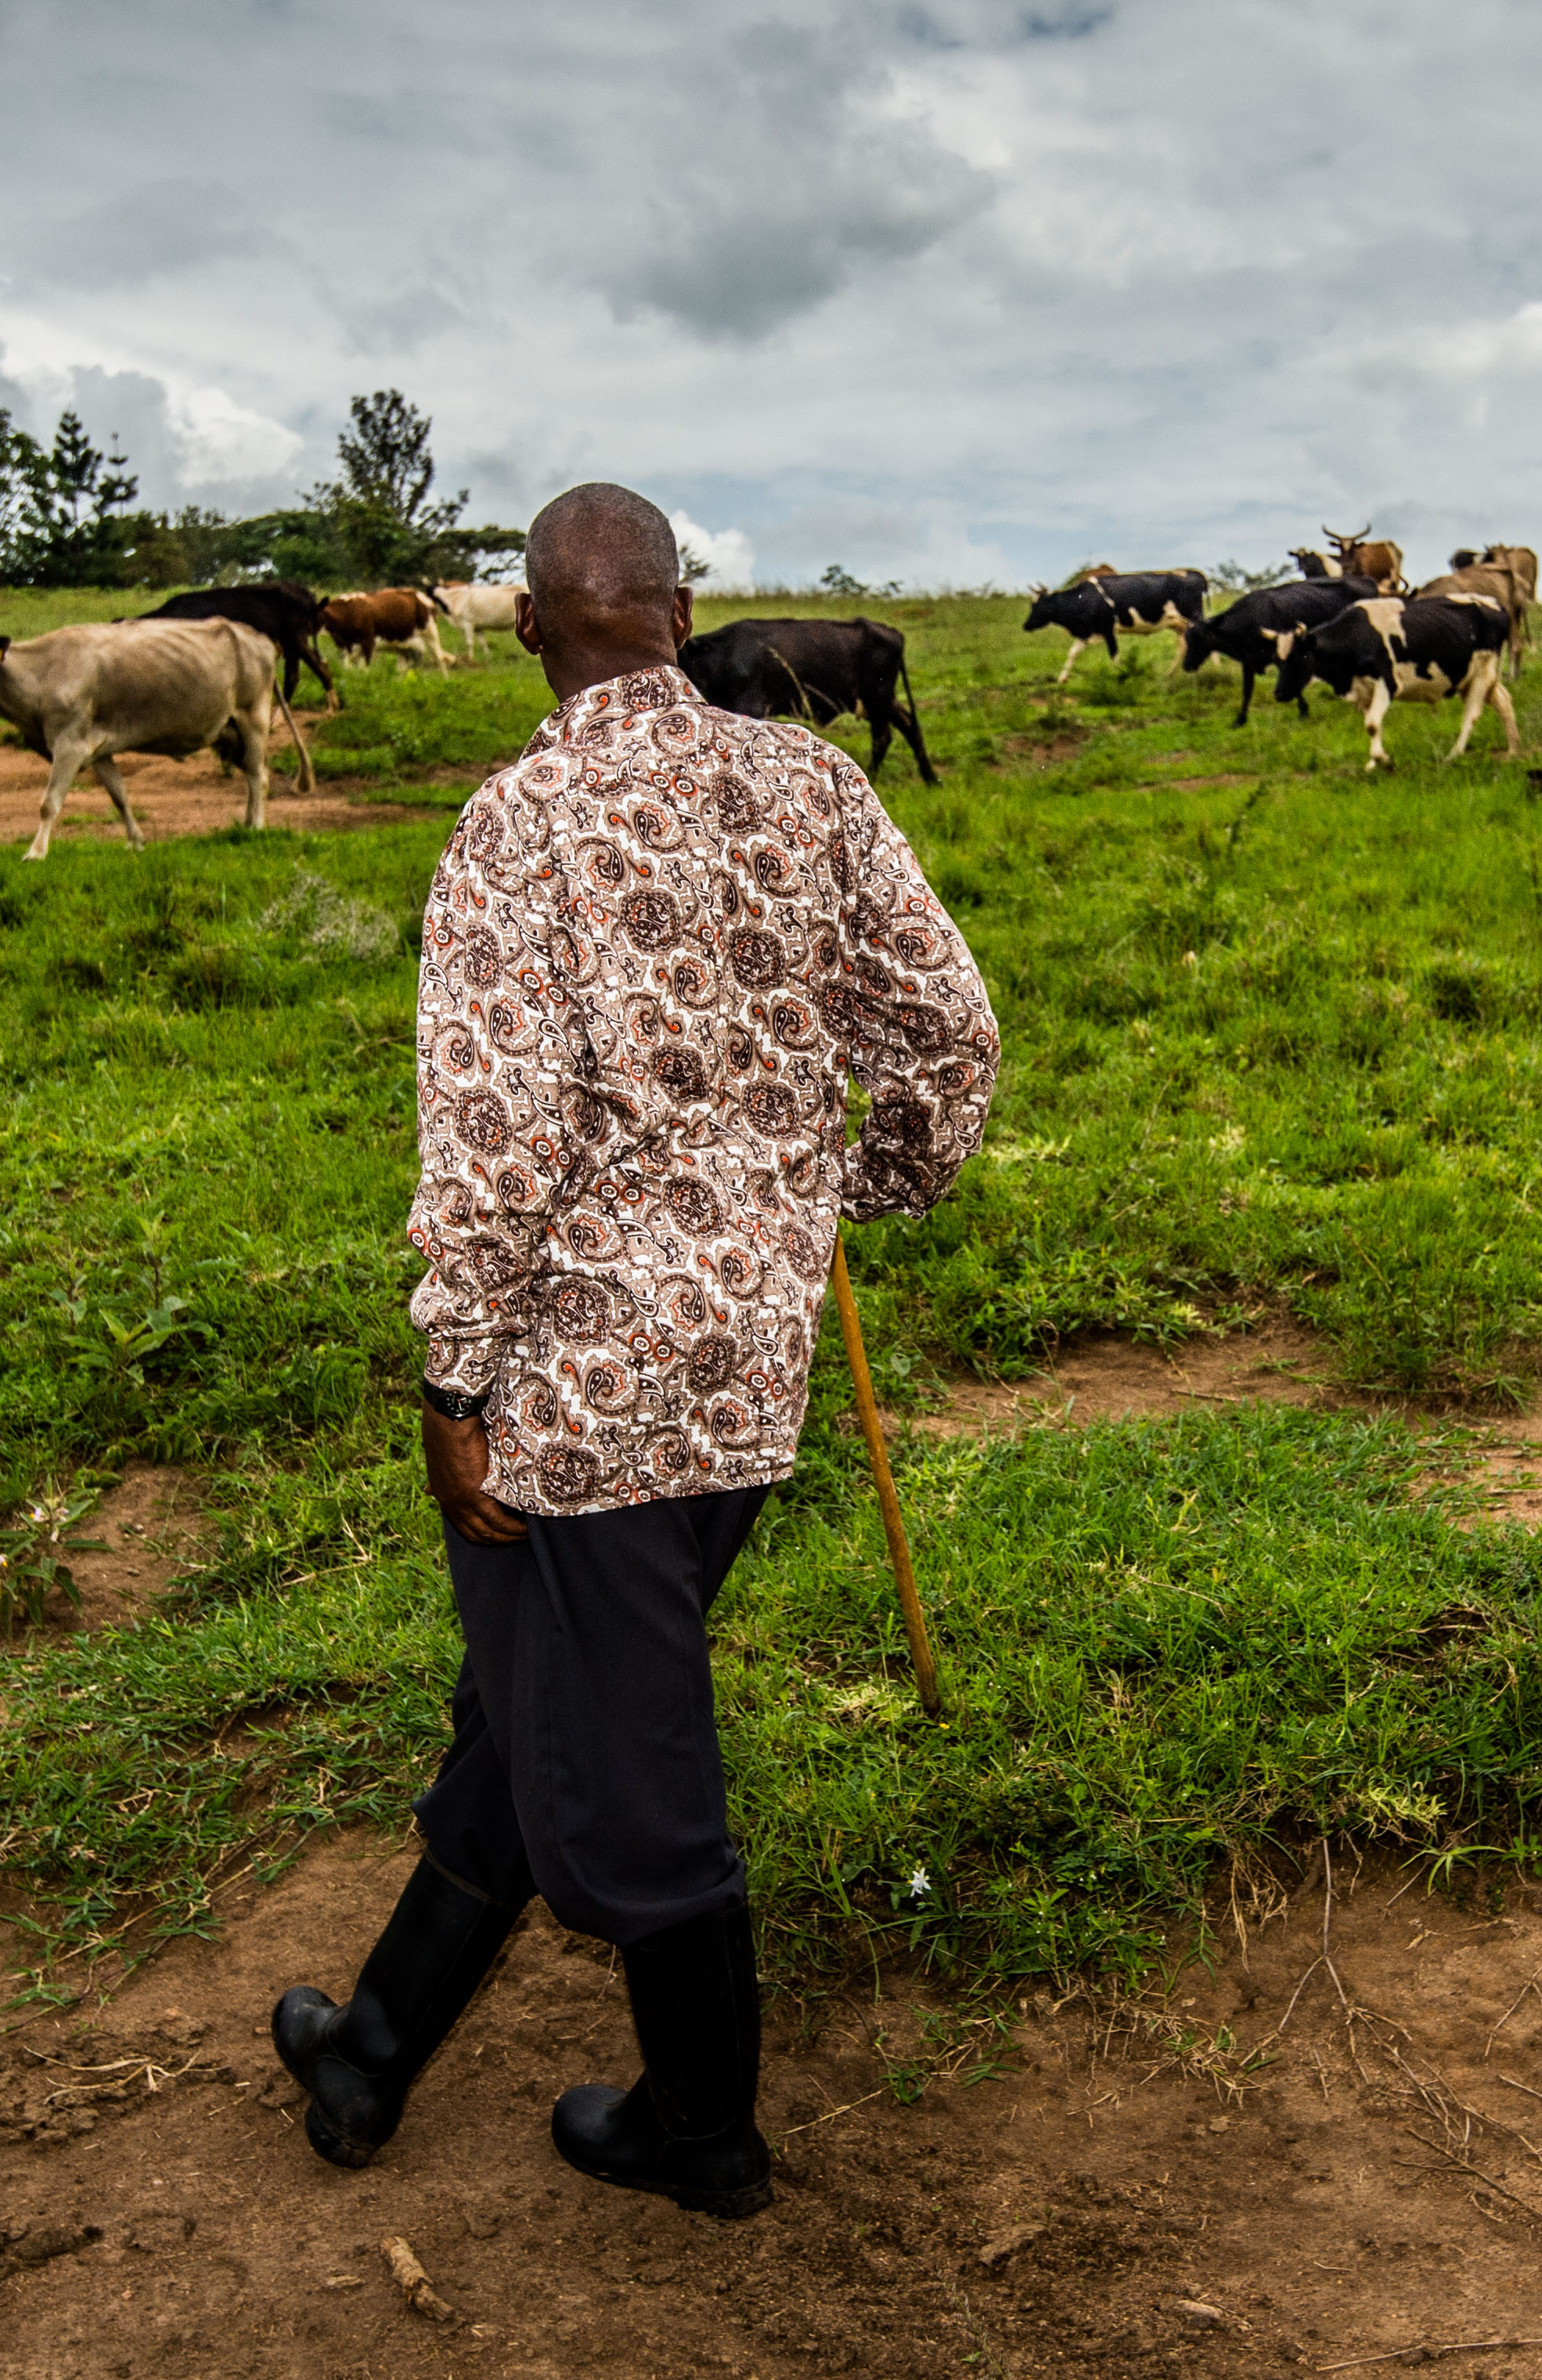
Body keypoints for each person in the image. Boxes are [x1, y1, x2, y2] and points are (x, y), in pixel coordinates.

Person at [268, 483, 997, 2219]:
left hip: (573, 1393)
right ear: (681, 611)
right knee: (542, 1698)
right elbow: (950, 1040)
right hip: (747, 1371)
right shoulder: (818, 782)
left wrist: (454, 1373)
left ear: (531, 625)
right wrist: (831, 1189)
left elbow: (497, 1138)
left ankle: (703, 2128)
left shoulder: (515, 824)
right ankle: (373, 2040)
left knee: (635, 1757)